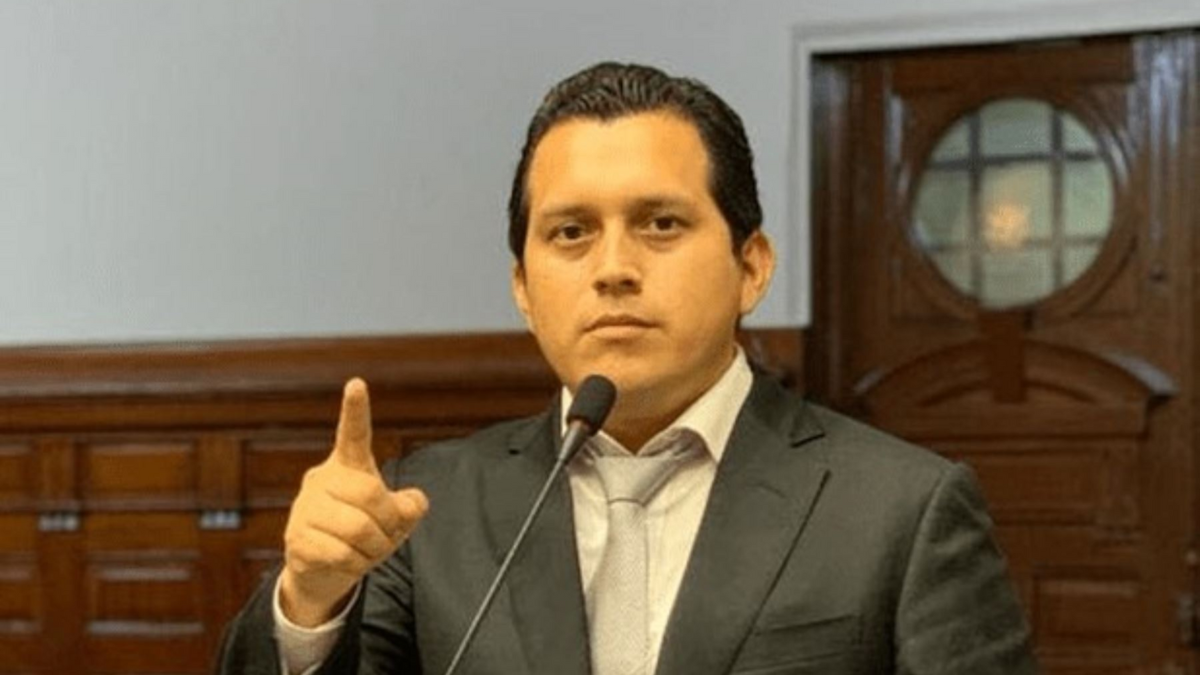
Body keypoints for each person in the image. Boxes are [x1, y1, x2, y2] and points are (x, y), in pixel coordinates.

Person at [215, 62, 1038, 675]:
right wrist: (311, 602)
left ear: (751, 266)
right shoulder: (423, 511)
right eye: (571, 233)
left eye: (660, 224)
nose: (613, 268)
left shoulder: (902, 510)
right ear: (523, 288)